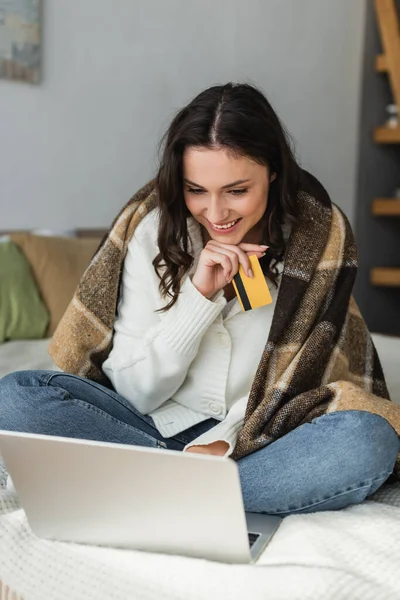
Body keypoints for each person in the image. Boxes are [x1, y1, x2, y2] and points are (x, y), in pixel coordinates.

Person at [0, 83, 399, 517]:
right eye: (196, 190)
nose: (215, 212)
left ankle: (145, 489)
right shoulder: (152, 231)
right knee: (17, 396)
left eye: (236, 191)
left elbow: (298, 390)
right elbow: (135, 394)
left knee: (368, 439)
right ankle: (195, 494)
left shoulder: (315, 244)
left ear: (273, 174)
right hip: (143, 426)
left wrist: (223, 445)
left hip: (257, 442)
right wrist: (198, 296)